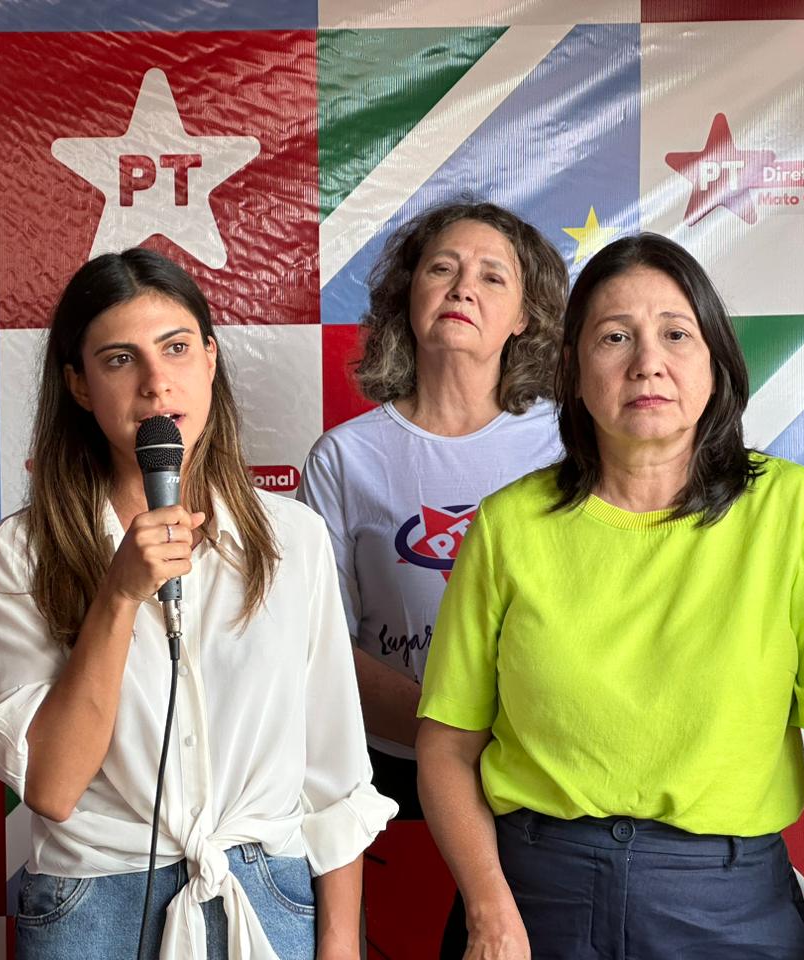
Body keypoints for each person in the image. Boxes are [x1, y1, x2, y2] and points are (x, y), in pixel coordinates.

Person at [417, 233, 804, 960]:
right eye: (615, 337)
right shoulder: (510, 524)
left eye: (676, 334)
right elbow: (447, 748)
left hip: (728, 907)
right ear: (573, 369)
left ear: (716, 363)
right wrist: (489, 910)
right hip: (532, 895)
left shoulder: (794, 512)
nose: (648, 363)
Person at [0, 248, 396, 959]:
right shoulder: (20, 554)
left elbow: (335, 773)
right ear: (78, 385)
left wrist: (339, 944)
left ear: (209, 359)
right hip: (97, 902)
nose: (154, 383)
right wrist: (118, 594)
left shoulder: (293, 538)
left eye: (175, 349)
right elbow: (51, 786)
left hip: (267, 892)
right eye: (118, 360)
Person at [298, 202, 566, 953]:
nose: (462, 288)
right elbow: (318, 646)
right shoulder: (346, 457)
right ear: (408, 297)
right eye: (442, 268)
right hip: (382, 774)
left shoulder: (563, 448)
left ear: (524, 316)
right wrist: (443, 734)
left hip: (531, 776)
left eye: (491, 275)